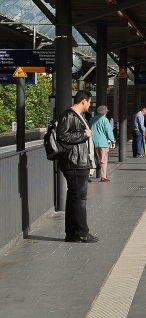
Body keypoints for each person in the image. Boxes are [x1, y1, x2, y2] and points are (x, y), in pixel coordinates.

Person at [57, 91, 99, 243]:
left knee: (74, 198)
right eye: (89, 102)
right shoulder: (69, 115)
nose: (90, 104)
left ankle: (72, 234)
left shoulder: (78, 116)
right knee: (80, 198)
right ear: (83, 101)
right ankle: (82, 232)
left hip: (78, 161)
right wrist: (84, 135)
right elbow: (62, 136)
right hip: (74, 162)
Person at [89, 105, 116, 182]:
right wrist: (113, 141)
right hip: (103, 142)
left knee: (93, 159)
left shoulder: (92, 119)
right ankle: (103, 177)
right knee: (103, 160)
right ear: (105, 112)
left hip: (93, 142)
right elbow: (109, 132)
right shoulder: (105, 120)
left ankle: (89, 174)